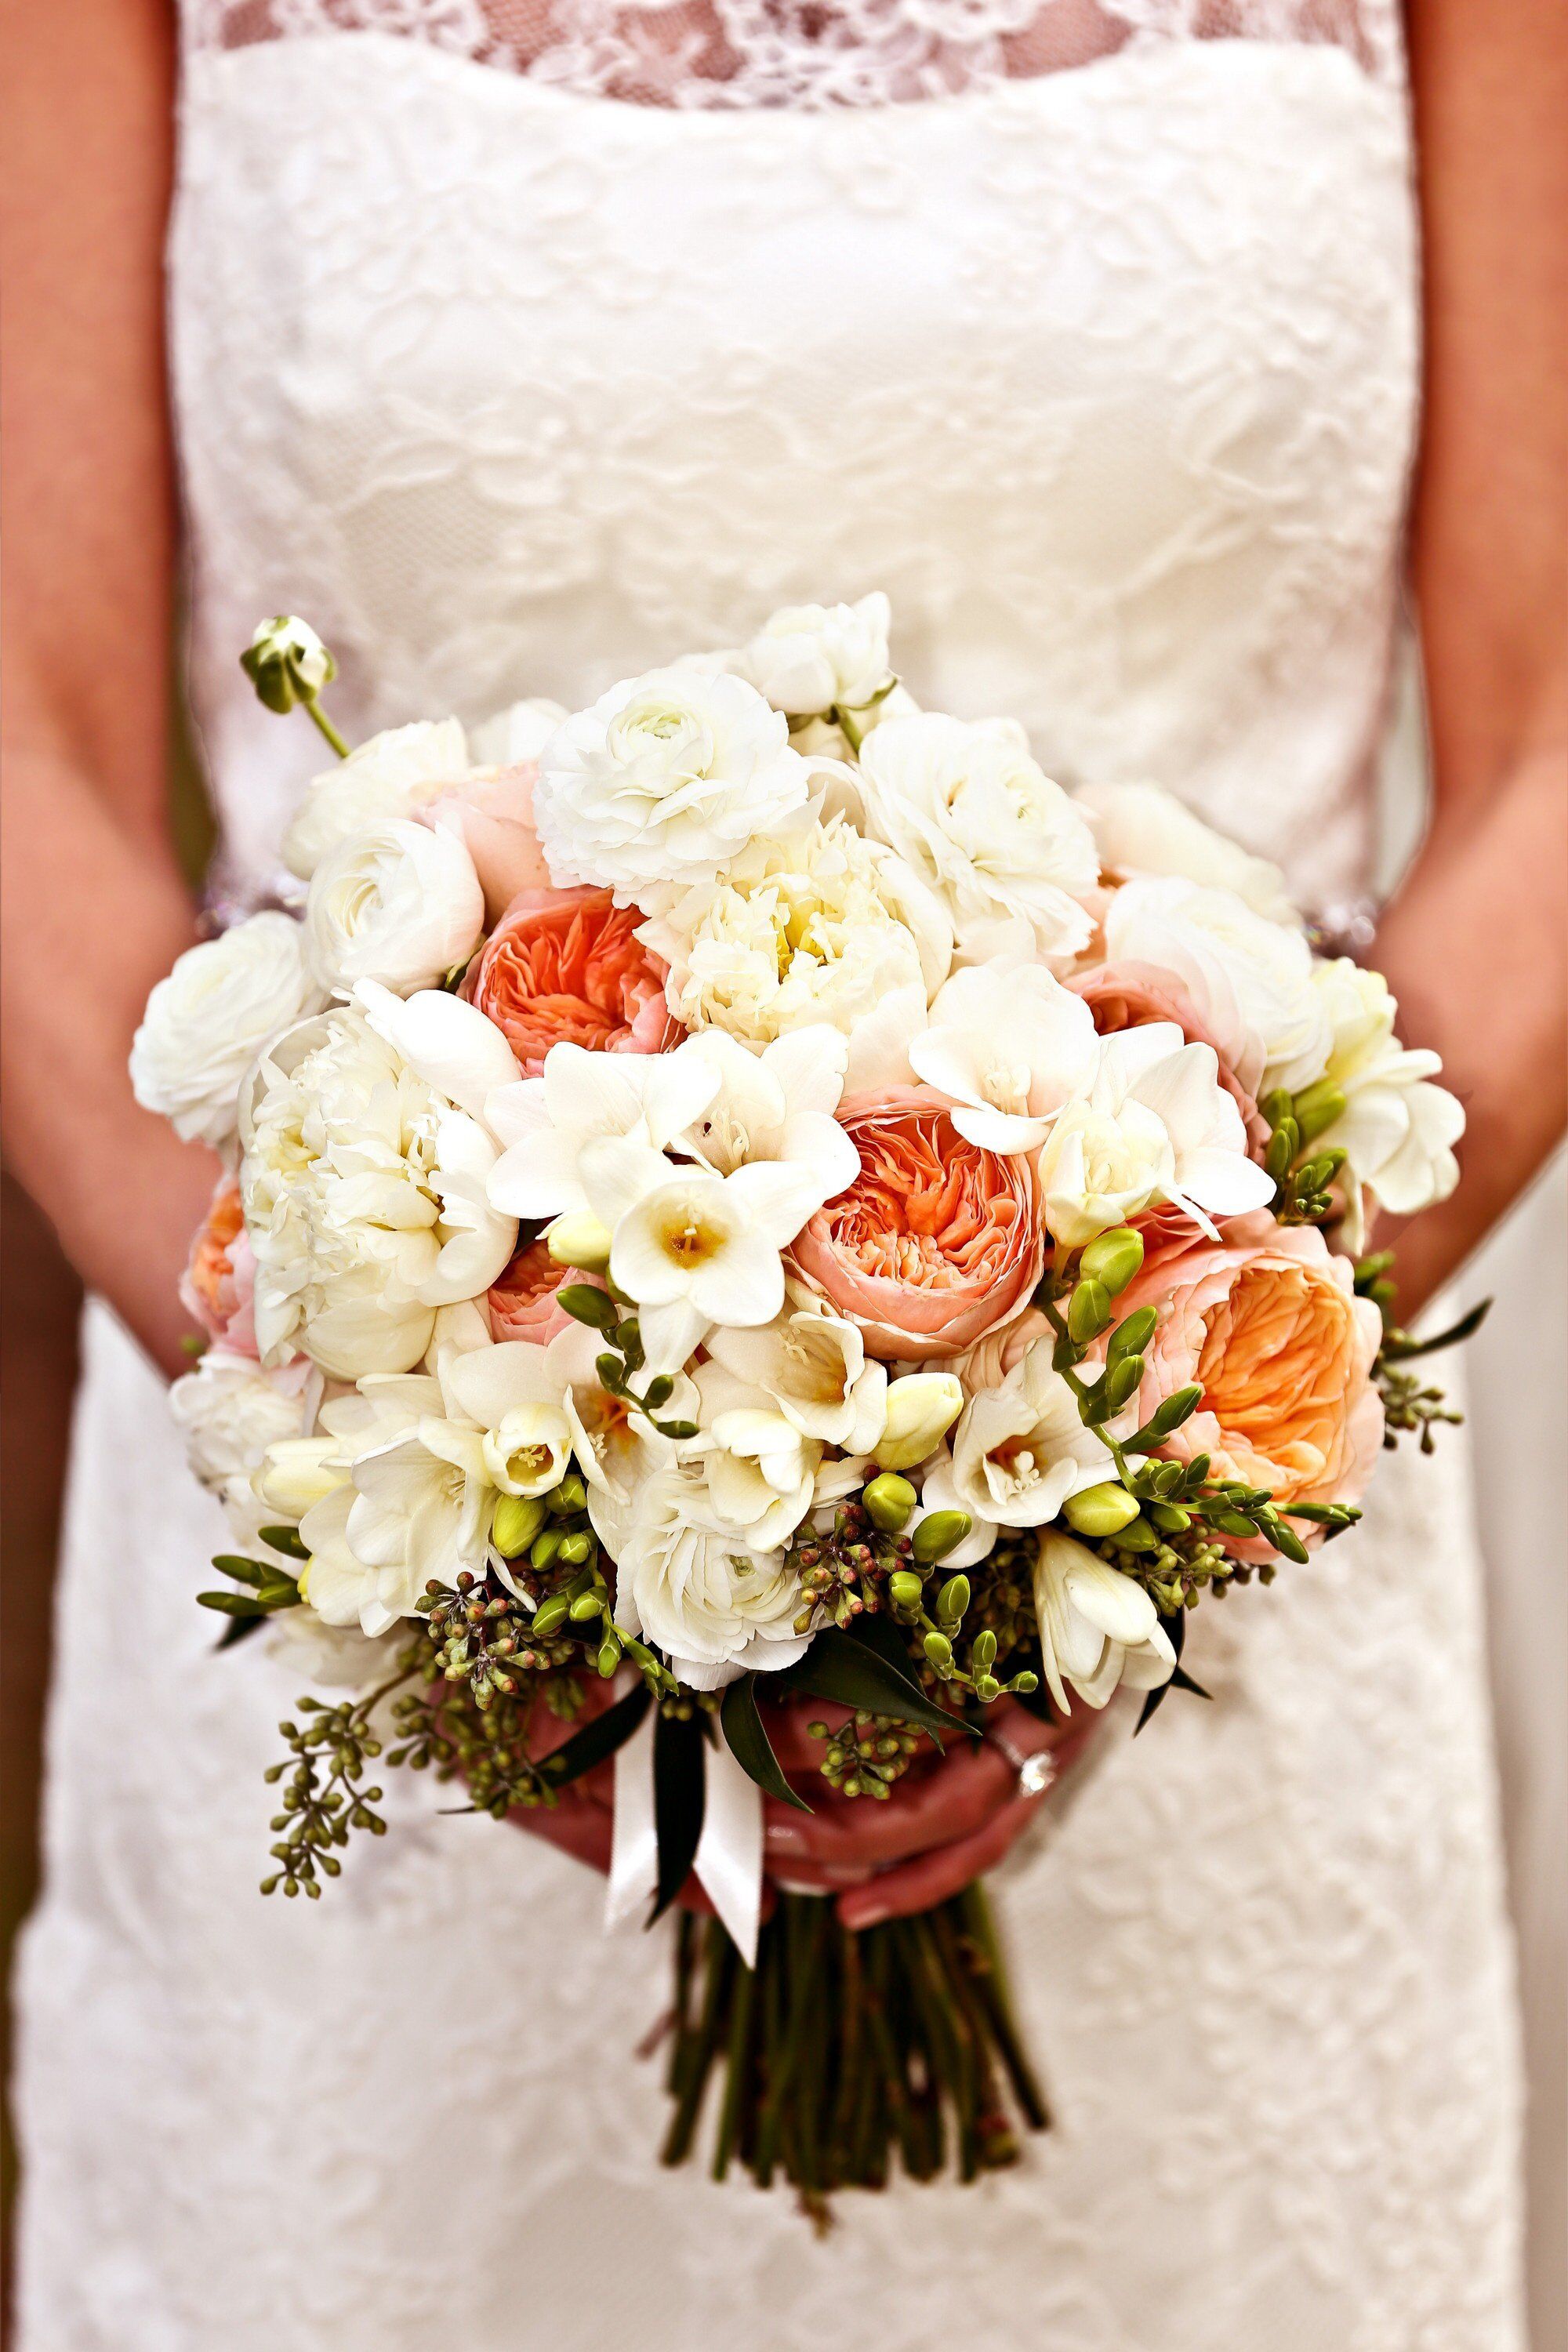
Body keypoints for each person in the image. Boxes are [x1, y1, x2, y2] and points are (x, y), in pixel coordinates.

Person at [2, 2, 1562, 2345]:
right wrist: (401, 1448)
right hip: (375, 1595)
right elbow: (28, 745)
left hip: (1211, 1648)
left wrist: (1155, 1439)